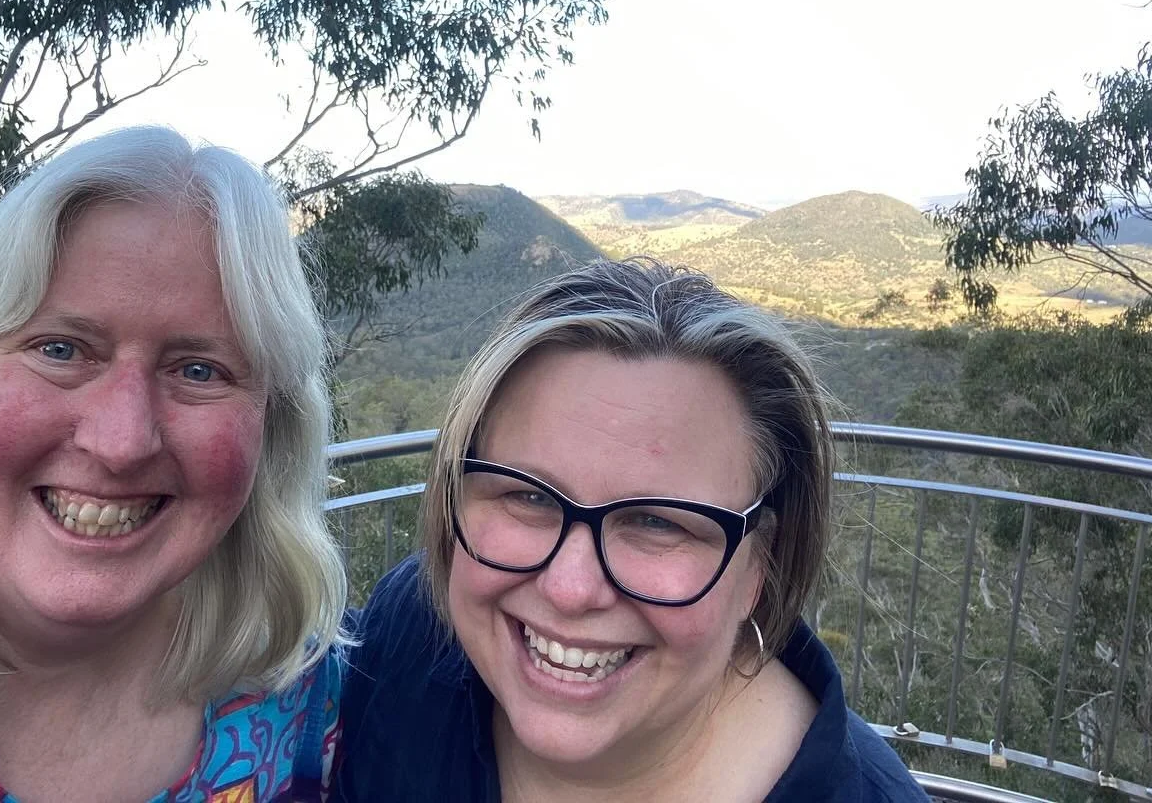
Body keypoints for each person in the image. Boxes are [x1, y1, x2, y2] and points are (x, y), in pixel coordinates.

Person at [0, 127, 346, 802]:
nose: (121, 441)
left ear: (270, 429)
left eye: (199, 370)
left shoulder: (297, 686)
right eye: (61, 349)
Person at [337, 258, 930, 802]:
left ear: (759, 565)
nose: (570, 589)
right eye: (527, 496)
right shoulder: (408, 639)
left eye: (654, 522)